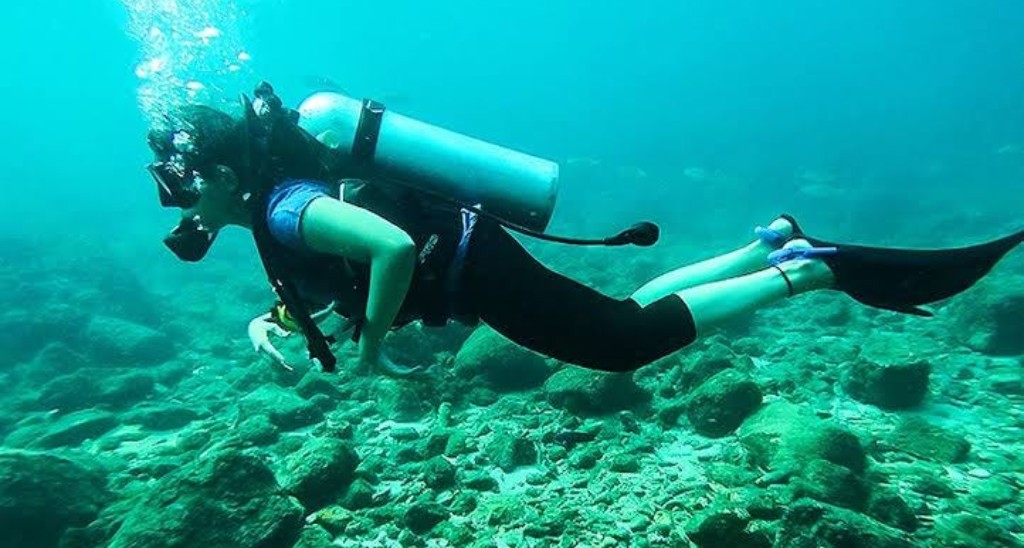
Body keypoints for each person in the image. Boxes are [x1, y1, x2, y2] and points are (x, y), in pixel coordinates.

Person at [147, 82, 1024, 376]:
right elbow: (335, 267)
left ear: (226, 175)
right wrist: (273, 320)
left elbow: (385, 248)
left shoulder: (283, 207)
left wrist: (372, 348)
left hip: (467, 265)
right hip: (468, 257)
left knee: (618, 345)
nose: (183, 208)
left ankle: (808, 270)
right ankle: (769, 243)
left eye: (183, 186)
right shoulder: (274, 209)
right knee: (621, 310)